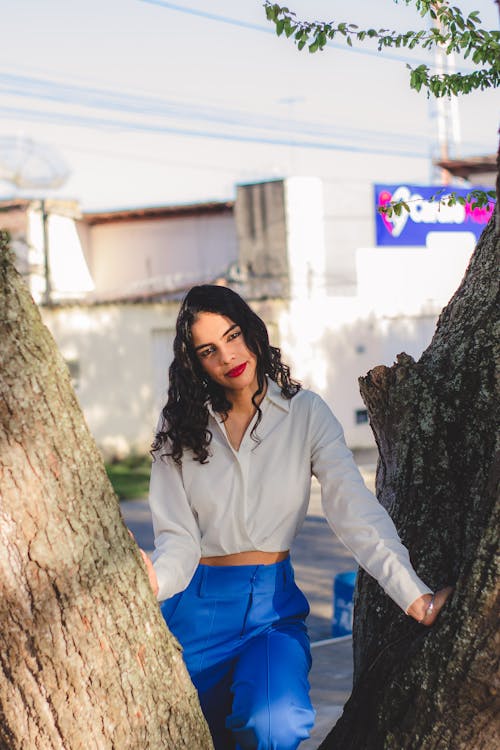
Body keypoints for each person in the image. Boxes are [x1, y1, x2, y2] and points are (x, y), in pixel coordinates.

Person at [141, 284, 452, 750]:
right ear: (195, 363)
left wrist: (416, 598)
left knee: (275, 724)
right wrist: (153, 584)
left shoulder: (306, 413)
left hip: (271, 610)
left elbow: (352, 511)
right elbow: (179, 540)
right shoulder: (181, 429)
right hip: (195, 608)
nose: (227, 356)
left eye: (232, 336)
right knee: (188, 736)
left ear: (251, 330)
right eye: (209, 350)